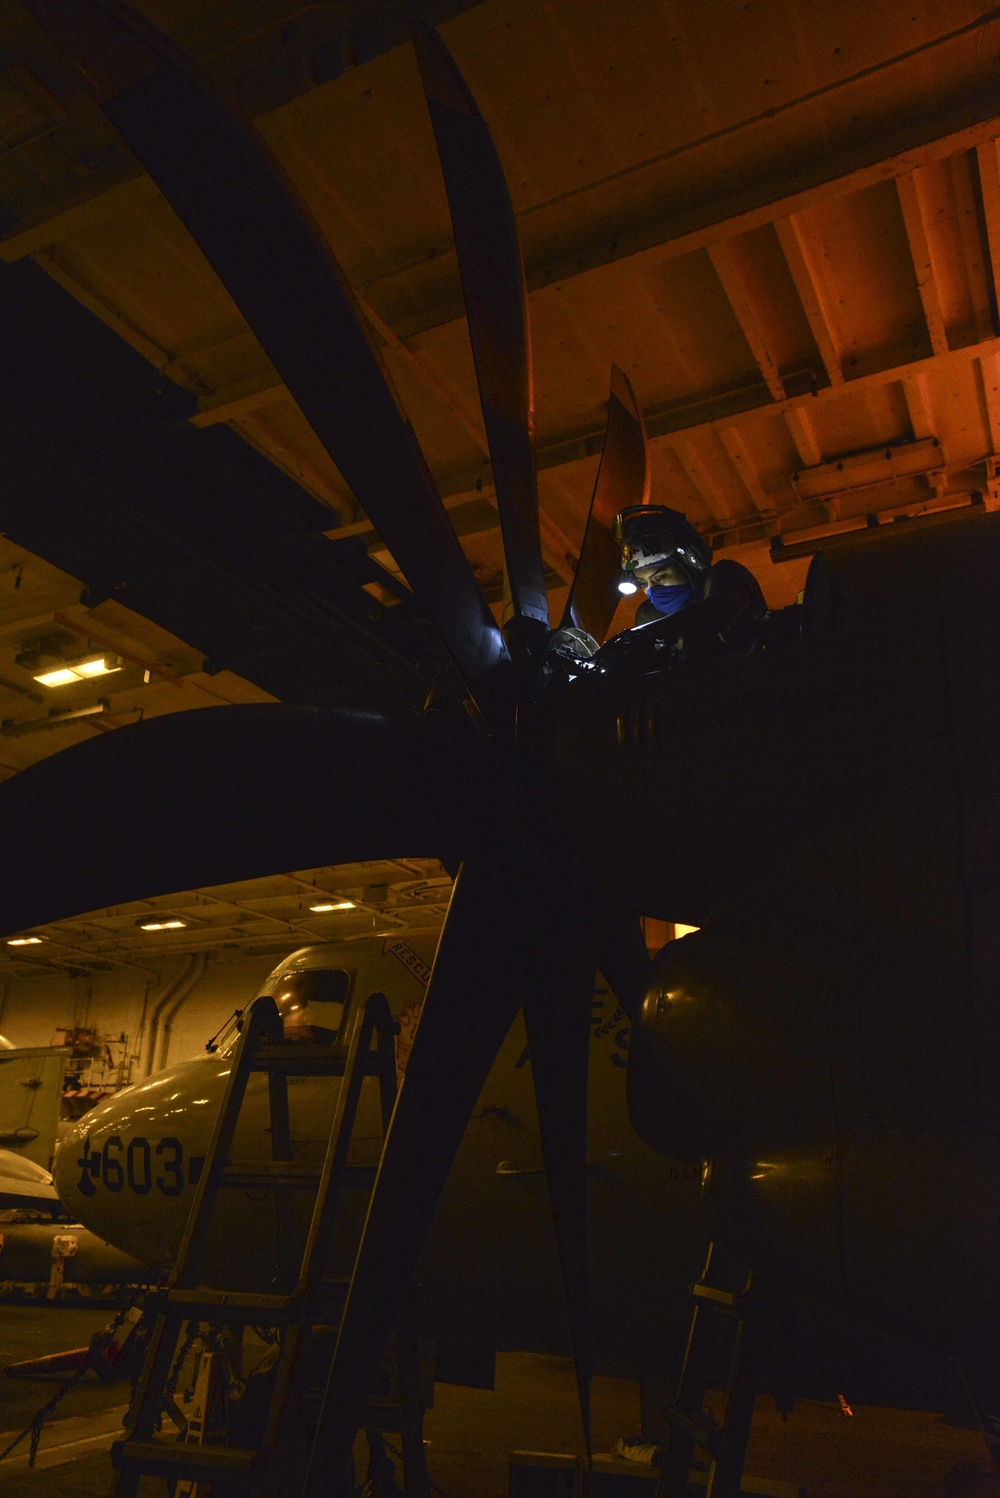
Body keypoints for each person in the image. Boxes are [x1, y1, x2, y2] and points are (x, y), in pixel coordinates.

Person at [610, 504, 767, 662]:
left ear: (690, 562)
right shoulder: (649, 616)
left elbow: (718, 611)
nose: (652, 590)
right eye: (643, 583)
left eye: (660, 578)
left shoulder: (725, 575)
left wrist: (647, 633)